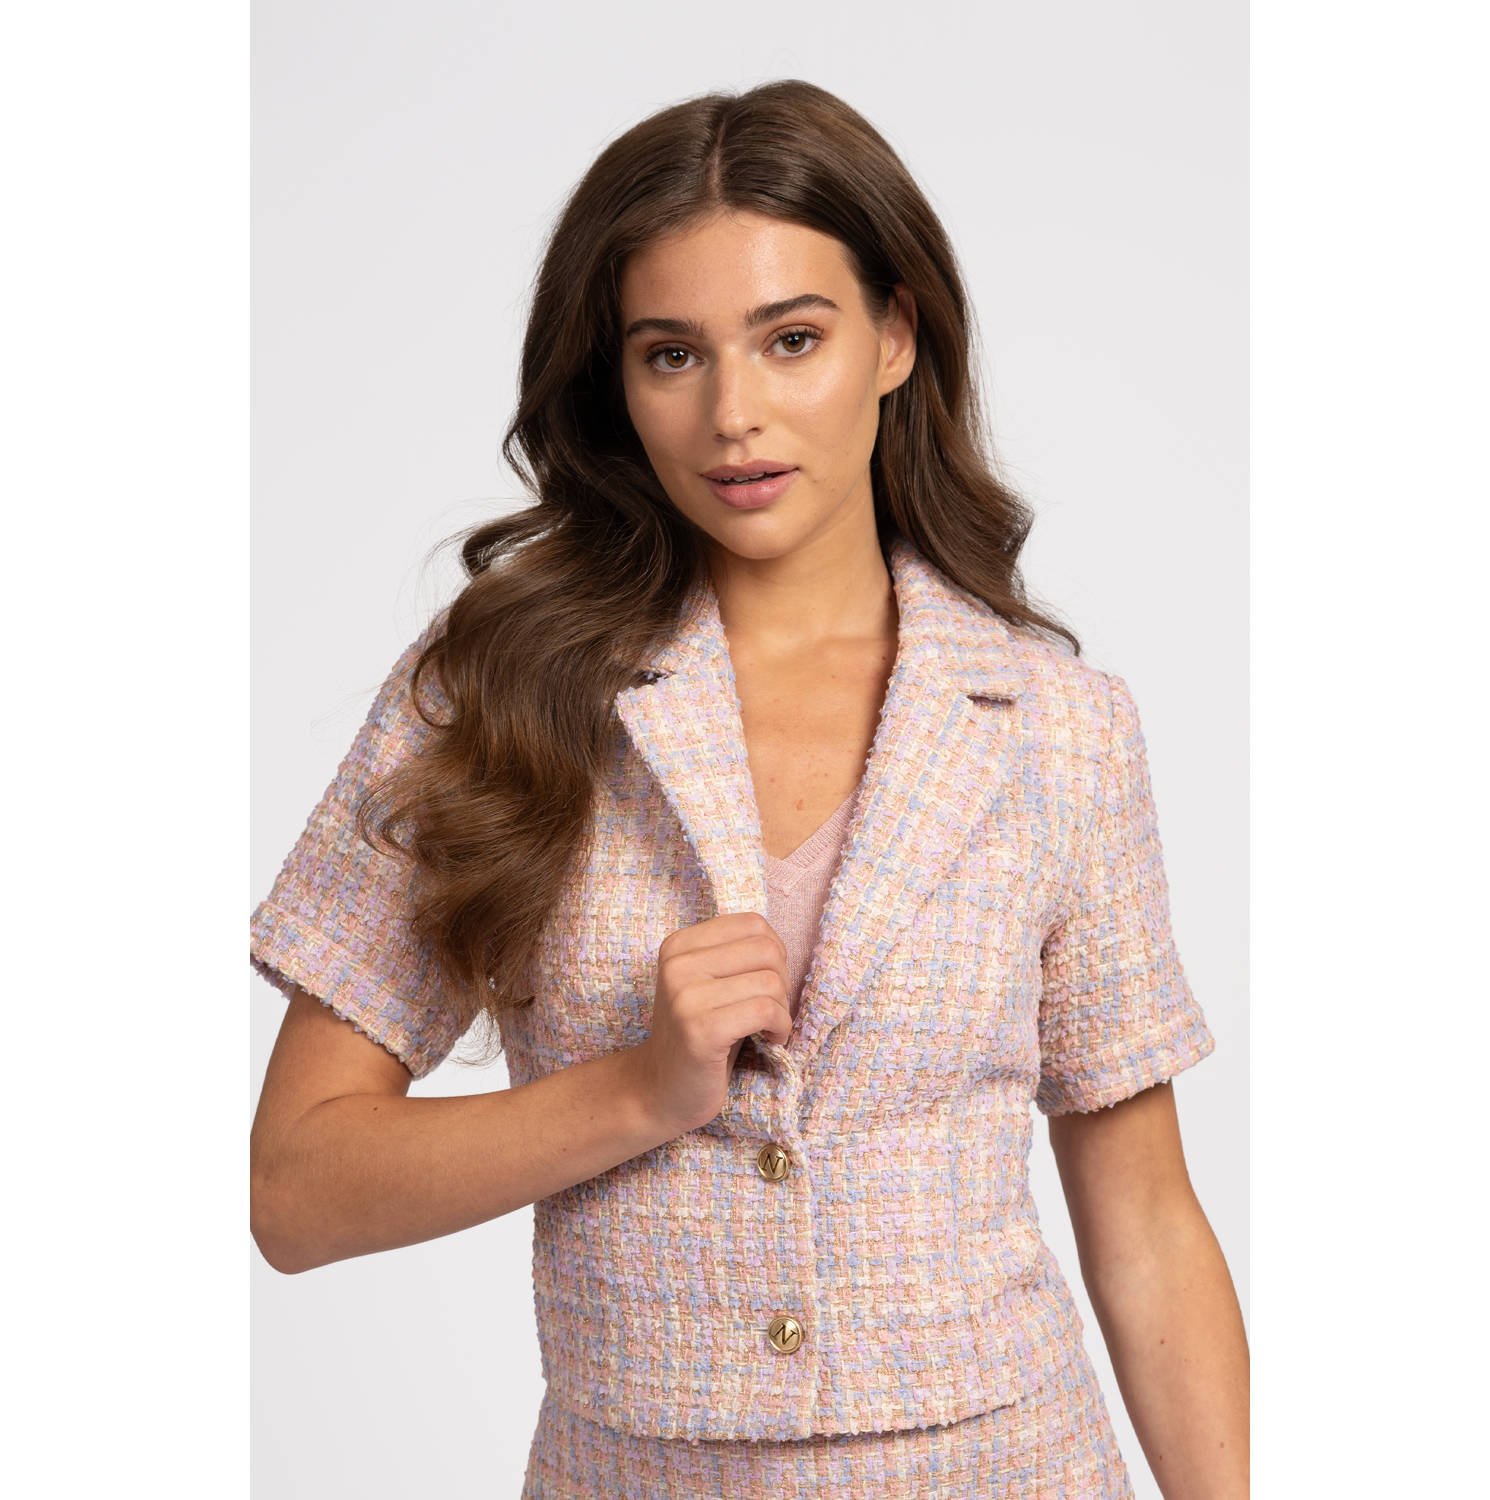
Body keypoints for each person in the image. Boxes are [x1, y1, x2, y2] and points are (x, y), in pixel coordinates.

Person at [249, 79, 1248, 1499]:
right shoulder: (496, 690)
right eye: (673, 355)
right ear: (615, 382)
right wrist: (637, 1090)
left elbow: (1143, 1219)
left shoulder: (1055, 729)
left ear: (895, 337)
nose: (735, 414)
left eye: (793, 340)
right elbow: (295, 1191)